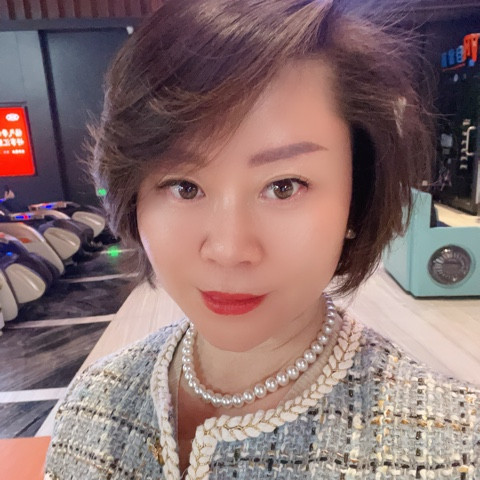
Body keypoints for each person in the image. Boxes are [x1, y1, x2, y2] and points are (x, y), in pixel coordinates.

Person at [44, 0, 480, 479]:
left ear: (358, 193)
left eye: (284, 186)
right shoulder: (89, 408)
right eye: (184, 187)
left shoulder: (451, 447)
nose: (229, 249)